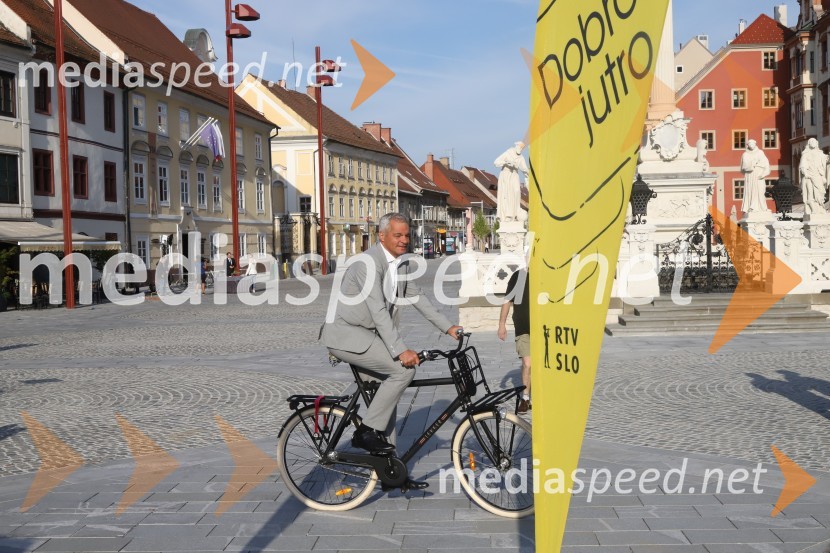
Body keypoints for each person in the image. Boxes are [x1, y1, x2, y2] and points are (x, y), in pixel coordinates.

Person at [321, 213, 463, 487]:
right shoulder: (368, 264)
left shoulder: (398, 265)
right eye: (397, 235)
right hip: (349, 336)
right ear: (382, 236)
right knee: (401, 371)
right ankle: (366, 433)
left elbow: (417, 297)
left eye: (406, 235)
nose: (404, 240)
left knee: (385, 402)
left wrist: (448, 327)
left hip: (367, 336)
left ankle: (391, 473)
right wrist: (400, 351)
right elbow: (377, 310)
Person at [498, 268, 531, 413]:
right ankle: (525, 398)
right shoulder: (519, 276)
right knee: (527, 363)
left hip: (545, 329)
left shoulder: (548, 274)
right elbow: (507, 301)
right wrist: (501, 324)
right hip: (524, 327)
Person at [494, 141, 529, 224]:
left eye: (522, 148)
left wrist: (529, 174)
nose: (520, 149)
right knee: (507, 195)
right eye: (520, 147)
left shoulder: (521, 157)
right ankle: (508, 215)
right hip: (505, 175)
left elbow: (525, 169)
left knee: (516, 192)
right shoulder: (508, 153)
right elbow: (496, 162)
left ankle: (515, 214)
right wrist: (506, 163)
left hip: (514, 175)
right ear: (516, 146)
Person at [740, 139, 771, 214]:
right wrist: (752, 164)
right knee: (752, 190)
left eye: (752, 144)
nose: (751, 145)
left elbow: (766, 164)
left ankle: (762, 208)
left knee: (760, 191)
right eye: (750, 144)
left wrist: (763, 174)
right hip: (750, 176)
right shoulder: (745, 154)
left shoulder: (760, 152)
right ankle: (752, 207)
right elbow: (744, 167)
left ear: (755, 144)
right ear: (747, 145)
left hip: (759, 175)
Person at [799, 138, 828, 214]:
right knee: (810, 193)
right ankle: (813, 209)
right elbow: (802, 166)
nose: (813, 142)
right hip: (809, 175)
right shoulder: (806, 154)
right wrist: (806, 173)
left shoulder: (820, 153)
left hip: (818, 175)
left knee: (821, 191)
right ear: (809, 144)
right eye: (811, 141)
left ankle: (820, 207)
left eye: (814, 141)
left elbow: (826, 160)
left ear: (816, 143)